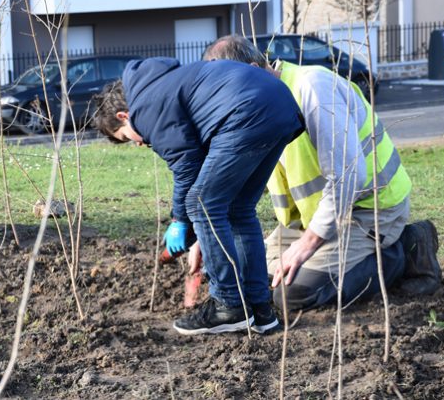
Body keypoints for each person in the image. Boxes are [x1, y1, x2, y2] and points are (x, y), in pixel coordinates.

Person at [201, 34, 441, 312]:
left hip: (367, 212)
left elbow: (347, 177)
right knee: (251, 281)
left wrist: (306, 246)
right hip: (314, 219)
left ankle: (407, 249)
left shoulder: (313, 88)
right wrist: (207, 240)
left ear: (253, 72)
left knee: (291, 295)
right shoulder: (256, 108)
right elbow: (231, 186)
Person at [94, 57, 305, 335]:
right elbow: (203, 166)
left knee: (202, 204)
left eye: (126, 137)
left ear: (124, 116)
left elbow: (187, 168)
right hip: (280, 106)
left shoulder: (145, 107)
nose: (138, 143)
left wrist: (180, 220)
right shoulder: (163, 84)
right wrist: (194, 230)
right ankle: (260, 307)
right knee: (238, 208)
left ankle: (228, 305)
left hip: (247, 112)